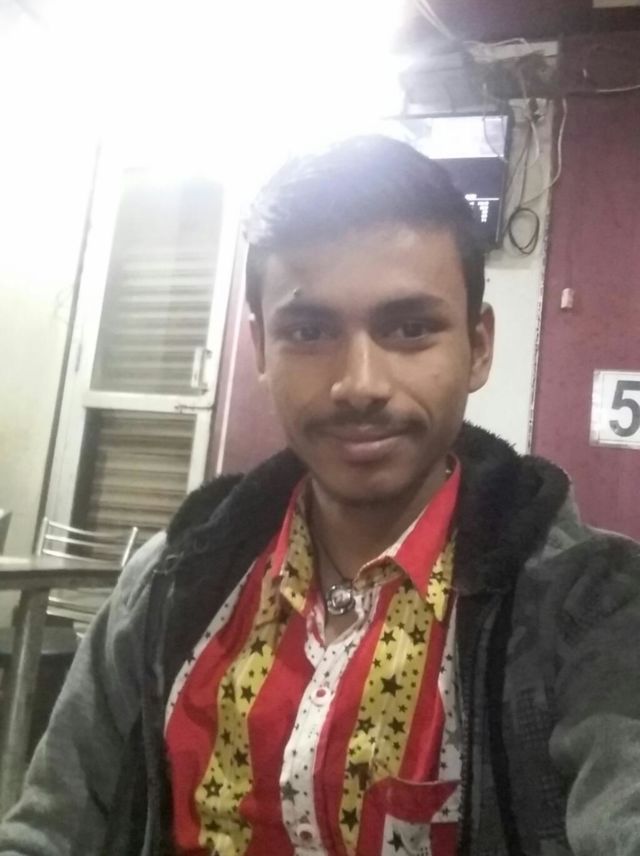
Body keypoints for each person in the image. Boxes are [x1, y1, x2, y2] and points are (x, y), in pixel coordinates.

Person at [1, 136, 639, 856]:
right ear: (261, 348)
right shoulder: (170, 583)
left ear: (479, 347)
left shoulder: (592, 610)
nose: (359, 384)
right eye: (308, 331)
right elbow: (50, 831)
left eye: (410, 329)